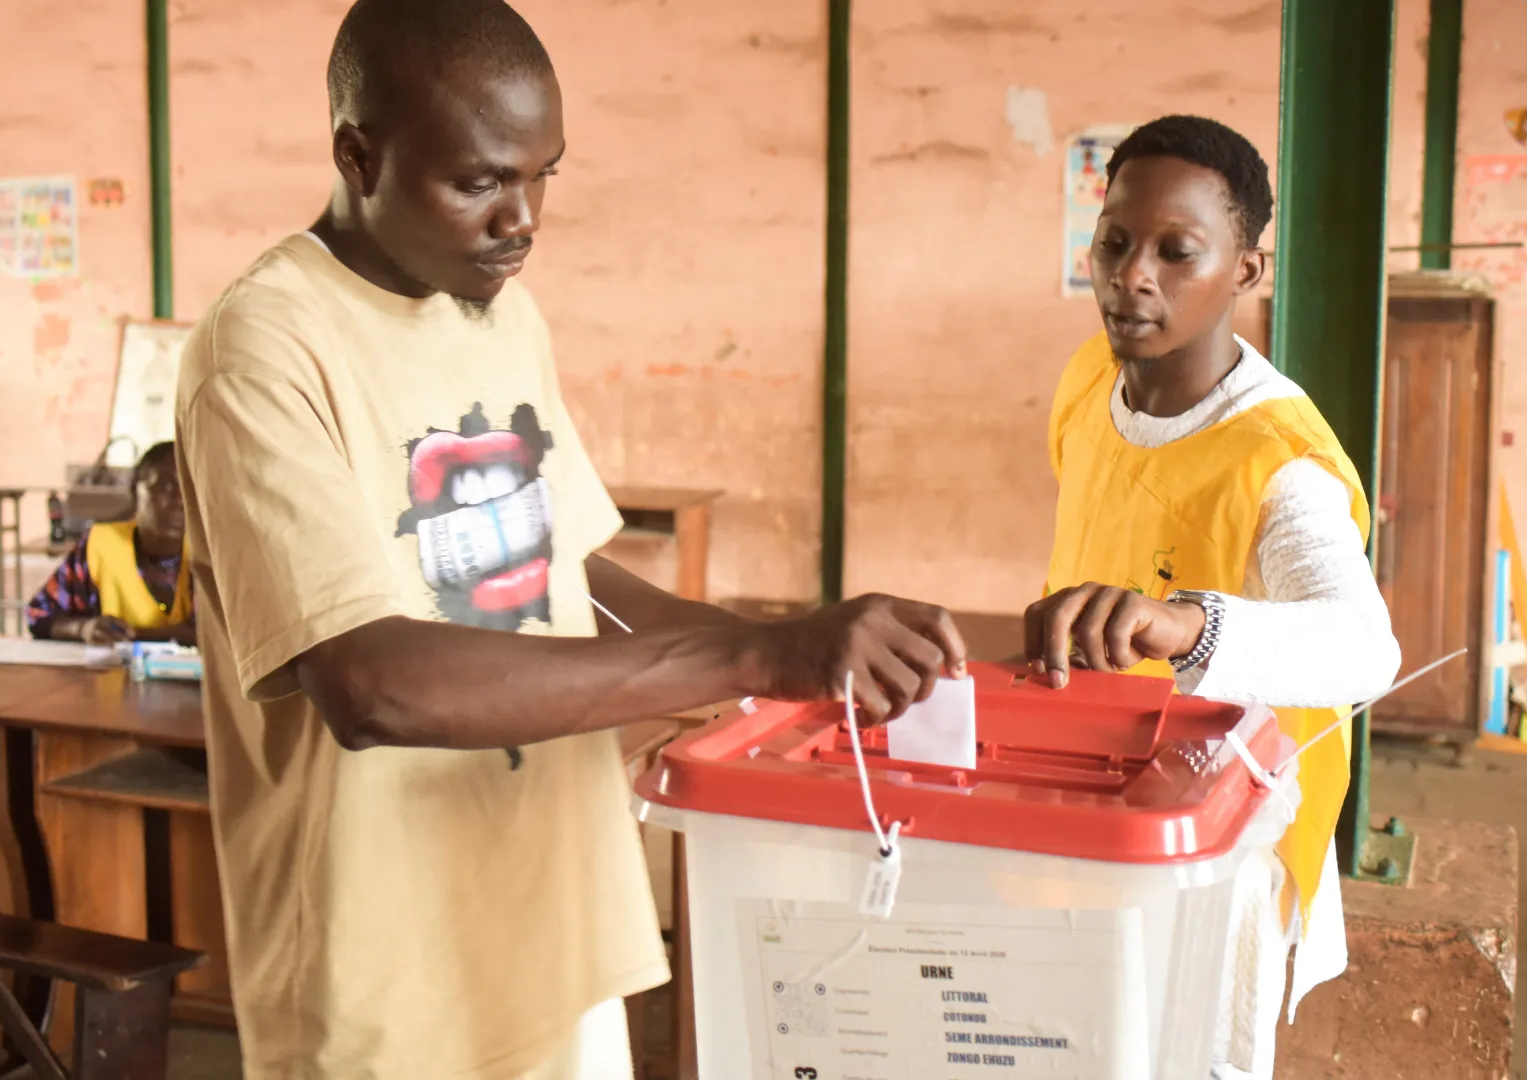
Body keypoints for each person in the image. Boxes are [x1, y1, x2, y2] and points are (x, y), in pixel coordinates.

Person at [171, 2, 967, 1076]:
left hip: (557, 914)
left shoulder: (498, 313)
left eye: (545, 175)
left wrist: (799, 657)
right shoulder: (264, 346)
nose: (523, 217)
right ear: (358, 155)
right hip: (388, 962)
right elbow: (369, 685)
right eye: (481, 180)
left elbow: (570, 575)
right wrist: (750, 656)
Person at [1021, 115, 1402, 1078]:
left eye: (1176, 251)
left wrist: (1185, 623)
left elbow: (1364, 649)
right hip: (1096, 792)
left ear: (1246, 270)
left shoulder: (1281, 462)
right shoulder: (1087, 383)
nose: (1132, 274)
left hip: (1225, 851)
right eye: (1114, 241)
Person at [27, 440, 194, 646]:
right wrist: (84, 628)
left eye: (190, 487)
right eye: (166, 486)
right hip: (111, 675)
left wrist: (134, 634)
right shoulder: (102, 545)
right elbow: (40, 615)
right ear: (135, 491)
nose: (179, 499)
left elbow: (212, 634)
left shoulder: (209, 555)